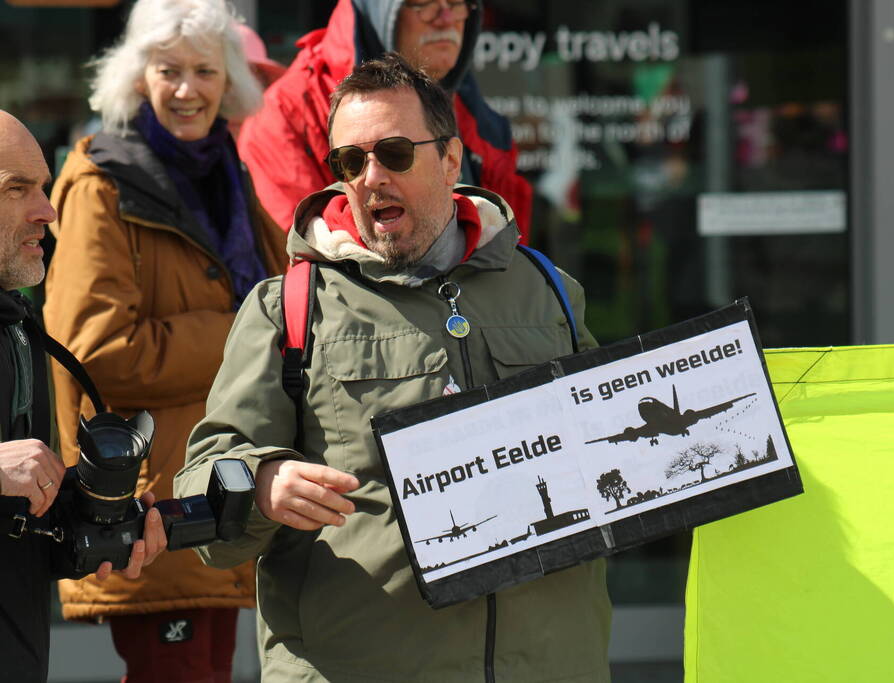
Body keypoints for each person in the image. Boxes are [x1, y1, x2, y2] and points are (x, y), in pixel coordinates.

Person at [175, 53, 610, 682]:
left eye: (395, 153)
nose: (371, 177)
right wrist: (261, 484)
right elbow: (202, 491)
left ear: (452, 160)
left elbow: (608, 453)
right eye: (350, 162)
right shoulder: (289, 307)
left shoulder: (548, 290)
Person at [42, 1, 289, 681]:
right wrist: (245, 335)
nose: (187, 89)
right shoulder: (101, 180)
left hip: (218, 491)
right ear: (136, 76)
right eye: (168, 69)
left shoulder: (225, 174)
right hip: (152, 502)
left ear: (227, 79)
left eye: (204, 70)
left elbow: (280, 301)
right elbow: (94, 349)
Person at [0, 109, 167, 683]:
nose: (47, 210)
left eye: (43, 187)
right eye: (16, 189)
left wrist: (92, 521)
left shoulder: (19, 325)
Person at [237, 0, 535, 241]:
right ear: (381, 8)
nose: (446, 17)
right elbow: (310, 265)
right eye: (424, 2)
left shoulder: (477, 117)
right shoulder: (285, 116)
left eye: (457, 2)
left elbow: (507, 254)